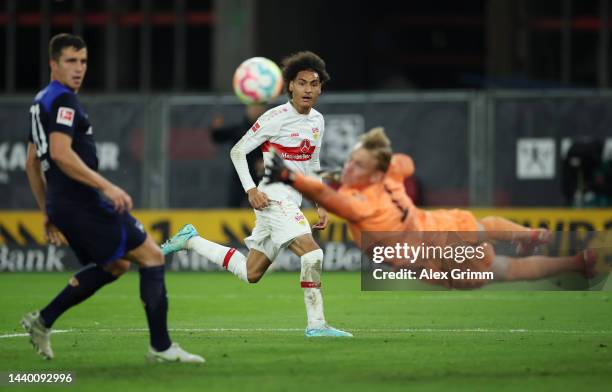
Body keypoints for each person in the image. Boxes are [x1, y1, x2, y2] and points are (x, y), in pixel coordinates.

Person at [22, 33, 203, 363]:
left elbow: (32, 162)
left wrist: (47, 209)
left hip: (66, 203)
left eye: (84, 61)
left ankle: (42, 320)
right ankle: (161, 348)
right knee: (152, 257)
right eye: (70, 61)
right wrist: (106, 186)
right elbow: (60, 154)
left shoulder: (40, 101)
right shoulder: (63, 101)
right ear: (53, 64)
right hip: (84, 202)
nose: (79, 68)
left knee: (116, 264)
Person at [162, 51, 352, 337]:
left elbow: (312, 164)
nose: (308, 89)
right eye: (302, 83)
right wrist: (250, 189)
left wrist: (320, 201)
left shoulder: (318, 121)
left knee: (251, 273)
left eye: (314, 84)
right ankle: (317, 325)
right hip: (274, 196)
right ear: (290, 85)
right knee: (312, 255)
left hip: (292, 199)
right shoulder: (275, 117)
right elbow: (237, 150)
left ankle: (192, 241)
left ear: (320, 88)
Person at [263, 127, 597, 289]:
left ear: (375, 172)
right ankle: (561, 253)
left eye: (358, 164)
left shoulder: (363, 204)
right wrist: (378, 163)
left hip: (429, 253)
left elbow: (332, 198)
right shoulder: (390, 174)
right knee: (486, 229)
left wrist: (289, 177)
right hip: (436, 224)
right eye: (350, 160)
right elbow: (405, 163)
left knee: (508, 270)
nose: (349, 167)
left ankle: (552, 251)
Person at [210, 104, 267, 207]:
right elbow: (218, 136)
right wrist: (215, 128)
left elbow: (277, 150)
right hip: (239, 178)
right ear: (247, 109)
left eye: (259, 107)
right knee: (234, 206)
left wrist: (265, 161)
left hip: (259, 178)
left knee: (260, 208)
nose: (256, 110)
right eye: (254, 107)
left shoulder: (267, 131)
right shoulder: (238, 129)